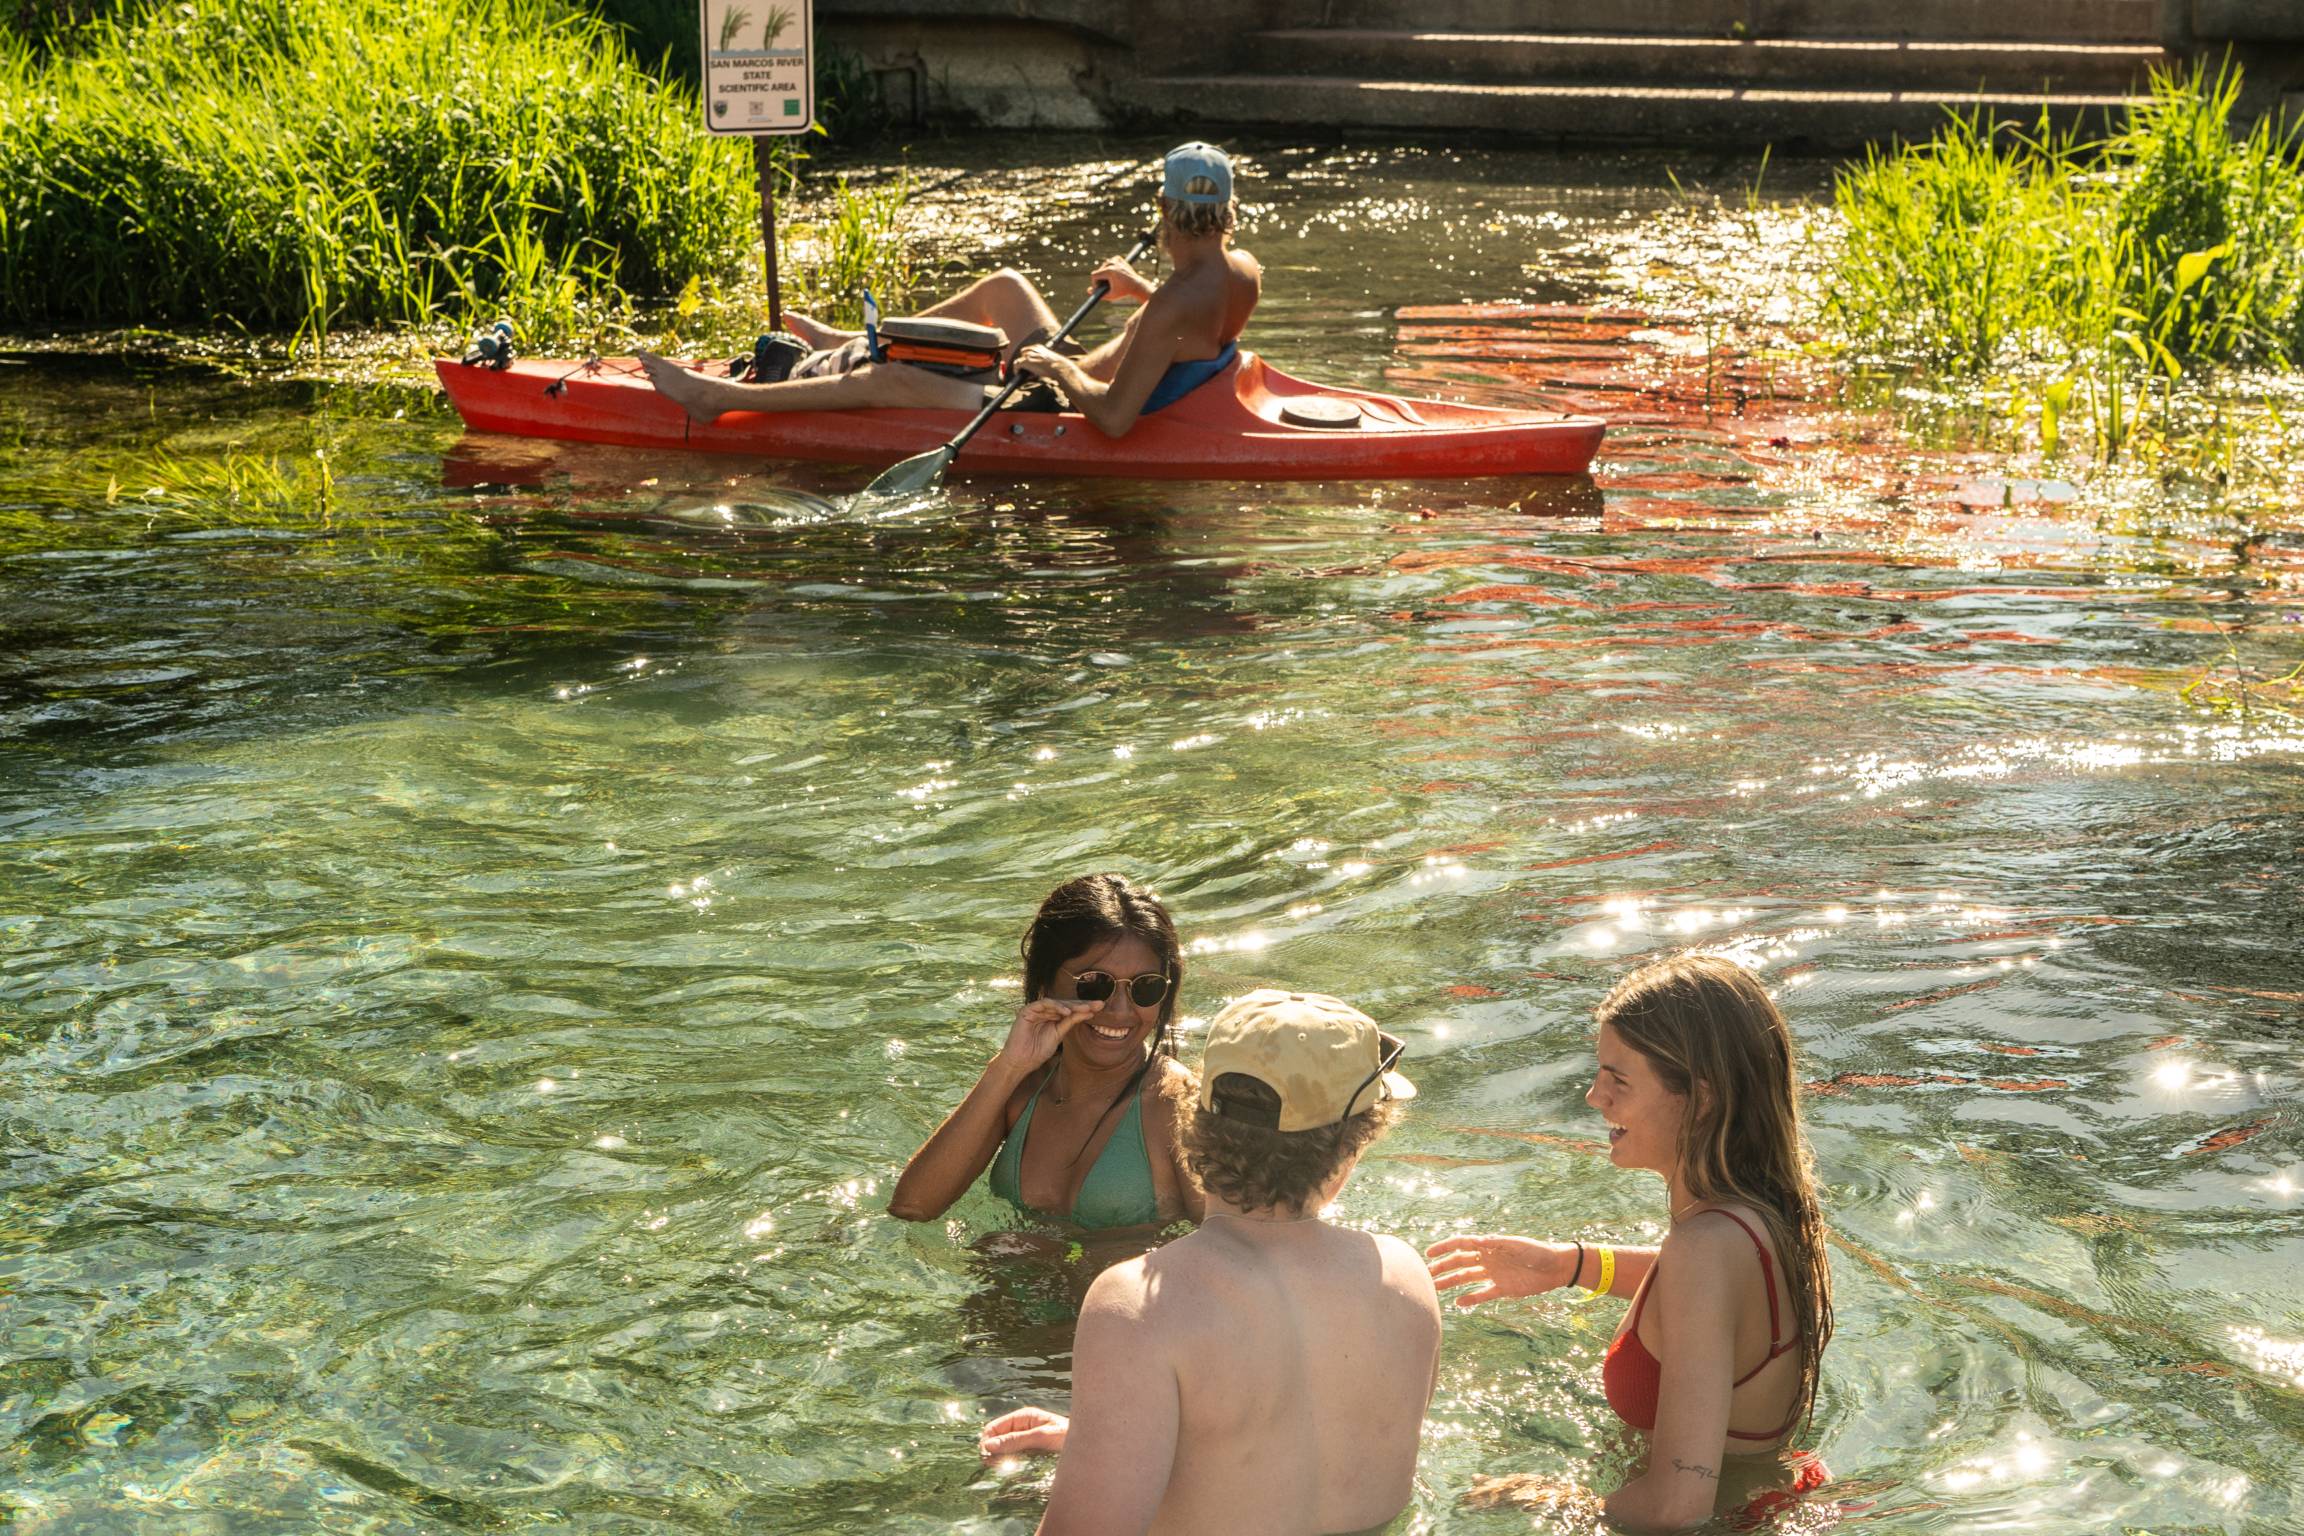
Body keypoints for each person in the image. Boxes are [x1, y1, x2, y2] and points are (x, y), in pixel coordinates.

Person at [977, 989, 1441, 1536]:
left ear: (1191, 1119)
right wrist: (1114, 1435)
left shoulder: (1138, 1304)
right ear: (1350, 1151)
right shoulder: (1404, 1276)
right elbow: (1312, 1441)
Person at [1424, 954, 1835, 1532]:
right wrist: (1572, 1265)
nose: (1595, 1097)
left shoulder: (1704, 1248)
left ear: (1701, 1098)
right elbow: (1715, 1311)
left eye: (1618, 1079)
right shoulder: (1765, 1218)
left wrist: (1546, 1497)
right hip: (1766, 1506)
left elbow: (1675, 1508)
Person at [636, 141, 1261, 438]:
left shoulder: (1175, 303)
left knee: (888, 380)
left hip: (1050, 402)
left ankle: (716, 398)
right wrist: (1142, 289)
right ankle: (859, 337)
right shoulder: (1242, 273)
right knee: (1006, 285)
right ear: (1228, 212)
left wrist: (1055, 370)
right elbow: (1192, 332)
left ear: (1164, 207)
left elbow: (1117, 418)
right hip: (1062, 369)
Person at [890, 873, 1203, 1230]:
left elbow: (1237, 1249)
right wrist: (1008, 1067)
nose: (1120, 1010)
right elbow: (912, 1207)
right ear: (1044, 983)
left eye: (1146, 987)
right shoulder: (1021, 1090)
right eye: (1095, 984)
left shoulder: (1176, 1106)